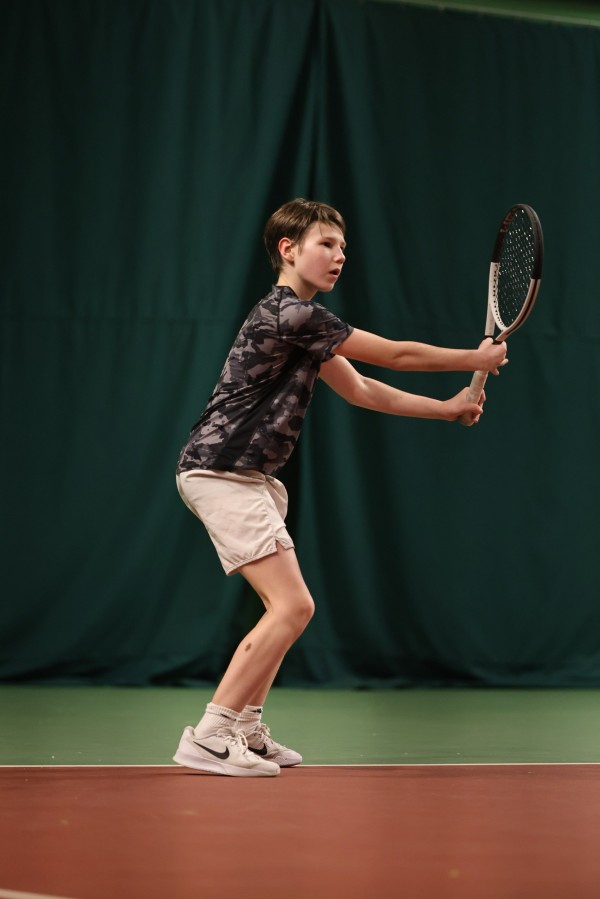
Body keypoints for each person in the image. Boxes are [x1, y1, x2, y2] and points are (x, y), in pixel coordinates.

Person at [173, 198, 507, 777]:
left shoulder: (306, 327)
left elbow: (363, 390)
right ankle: (210, 733)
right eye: (326, 244)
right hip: (221, 472)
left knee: (285, 609)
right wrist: (472, 357)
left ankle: (245, 727)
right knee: (293, 606)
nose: (339, 256)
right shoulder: (290, 314)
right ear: (288, 249)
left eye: (343, 248)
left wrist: (447, 407)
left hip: (248, 478)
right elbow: (397, 355)